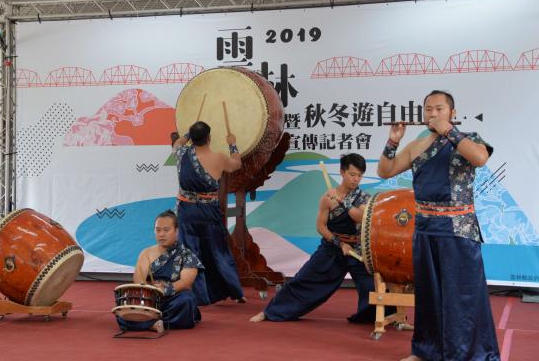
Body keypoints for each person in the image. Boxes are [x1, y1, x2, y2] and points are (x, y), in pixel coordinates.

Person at [377, 90, 499, 361]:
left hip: (458, 229)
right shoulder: (418, 145)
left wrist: (449, 132)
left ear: (452, 113)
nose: (433, 114)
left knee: (462, 295)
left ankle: (466, 353)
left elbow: (480, 158)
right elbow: (385, 171)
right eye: (428, 109)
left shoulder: (469, 140)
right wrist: (392, 141)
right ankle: (426, 350)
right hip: (425, 229)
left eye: (439, 109)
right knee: (429, 296)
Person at [250, 153, 379, 324]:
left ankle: (380, 318)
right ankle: (271, 311)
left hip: (357, 249)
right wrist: (339, 244)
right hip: (332, 248)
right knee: (303, 279)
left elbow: (360, 216)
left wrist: (344, 202)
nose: (356, 179)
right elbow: (321, 227)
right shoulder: (327, 198)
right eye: (352, 174)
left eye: (359, 176)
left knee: (372, 285)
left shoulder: (363, 197)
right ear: (342, 172)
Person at [171, 121, 245, 305]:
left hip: (186, 211)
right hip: (208, 212)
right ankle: (235, 290)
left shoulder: (181, 152)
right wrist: (232, 143)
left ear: (192, 139)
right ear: (209, 138)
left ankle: (197, 294)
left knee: (189, 252)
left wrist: (188, 133)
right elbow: (236, 164)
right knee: (218, 250)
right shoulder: (218, 158)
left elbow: (178, 142)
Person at [116, 210, 203, 333]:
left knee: (187, 300)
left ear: (176, 231)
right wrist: (150, 291)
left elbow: (186, 283)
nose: (161, 234)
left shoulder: (187, 255)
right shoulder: (146, 253)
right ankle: (154, 324)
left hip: (173, 299)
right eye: (158, 230)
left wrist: (163, 290)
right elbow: (138, 280)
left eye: (166, 230)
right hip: (149, 298)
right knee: (123, 307)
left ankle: (144, 323)